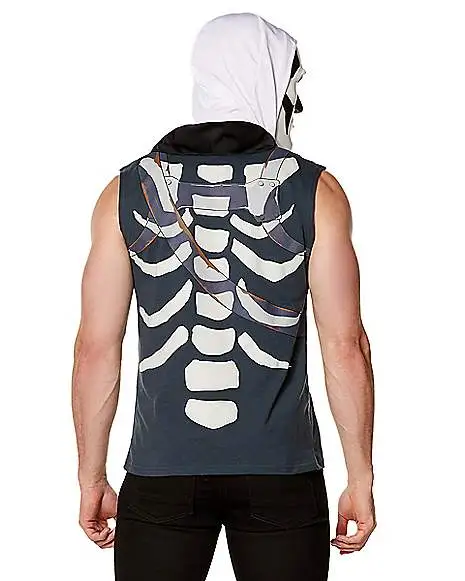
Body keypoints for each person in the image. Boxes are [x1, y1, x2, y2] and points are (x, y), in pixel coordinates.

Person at [72, 12, 376, 581]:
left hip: (162, 472)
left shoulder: (126, 191)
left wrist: (91, 476)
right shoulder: (316, 191)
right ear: (268, 83)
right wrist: (360, 477)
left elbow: (95, 348)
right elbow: (346, 346)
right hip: (280, 472)